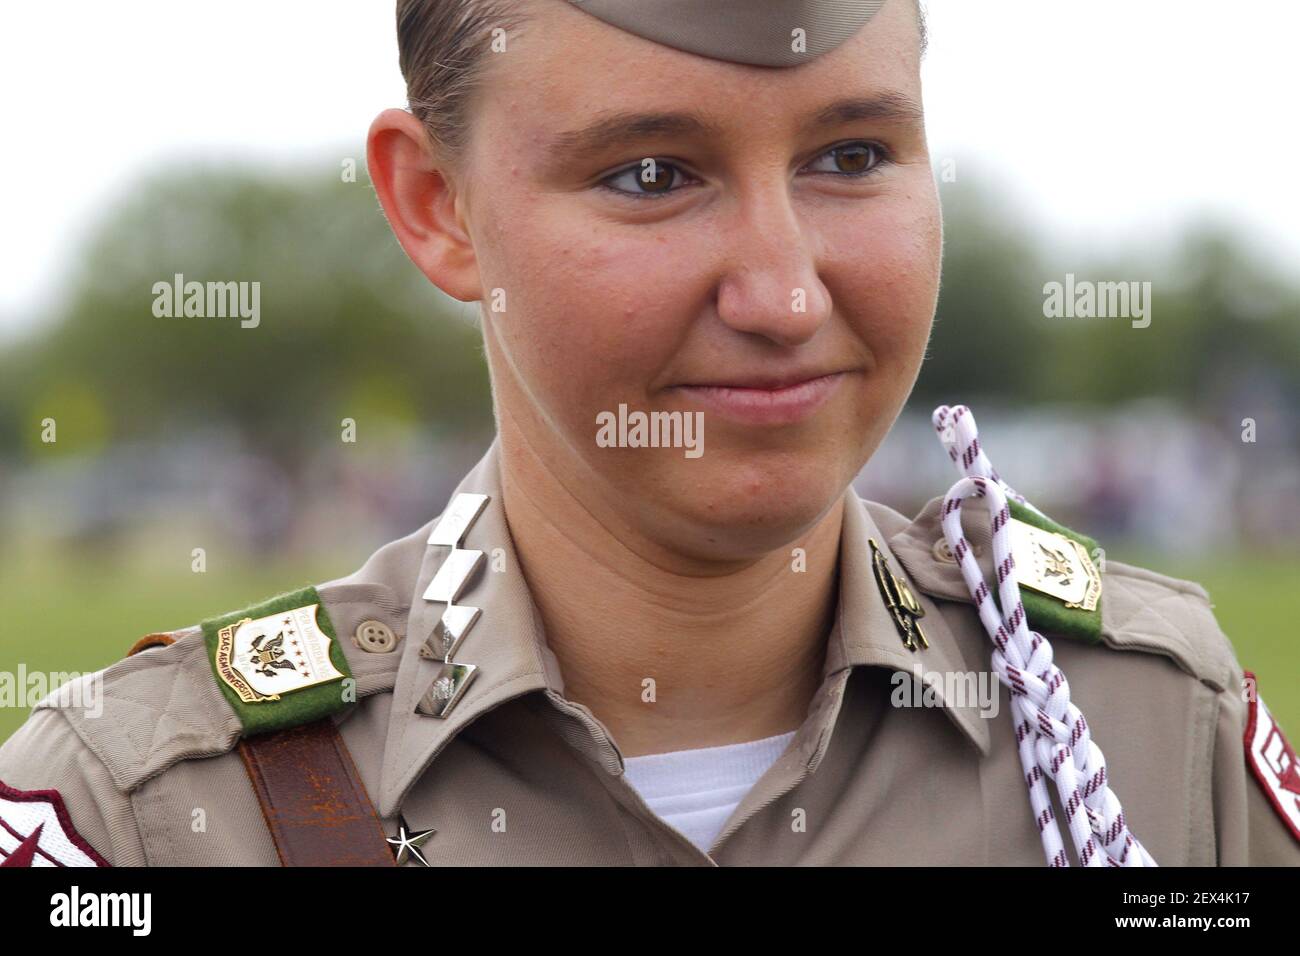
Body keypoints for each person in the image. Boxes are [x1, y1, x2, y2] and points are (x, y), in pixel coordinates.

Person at [2, 0, 1297, 867]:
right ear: (438, 206)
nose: (786, 296)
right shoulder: (164, 813)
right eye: (651, 176)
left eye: (850, 155)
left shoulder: (1139, 729)